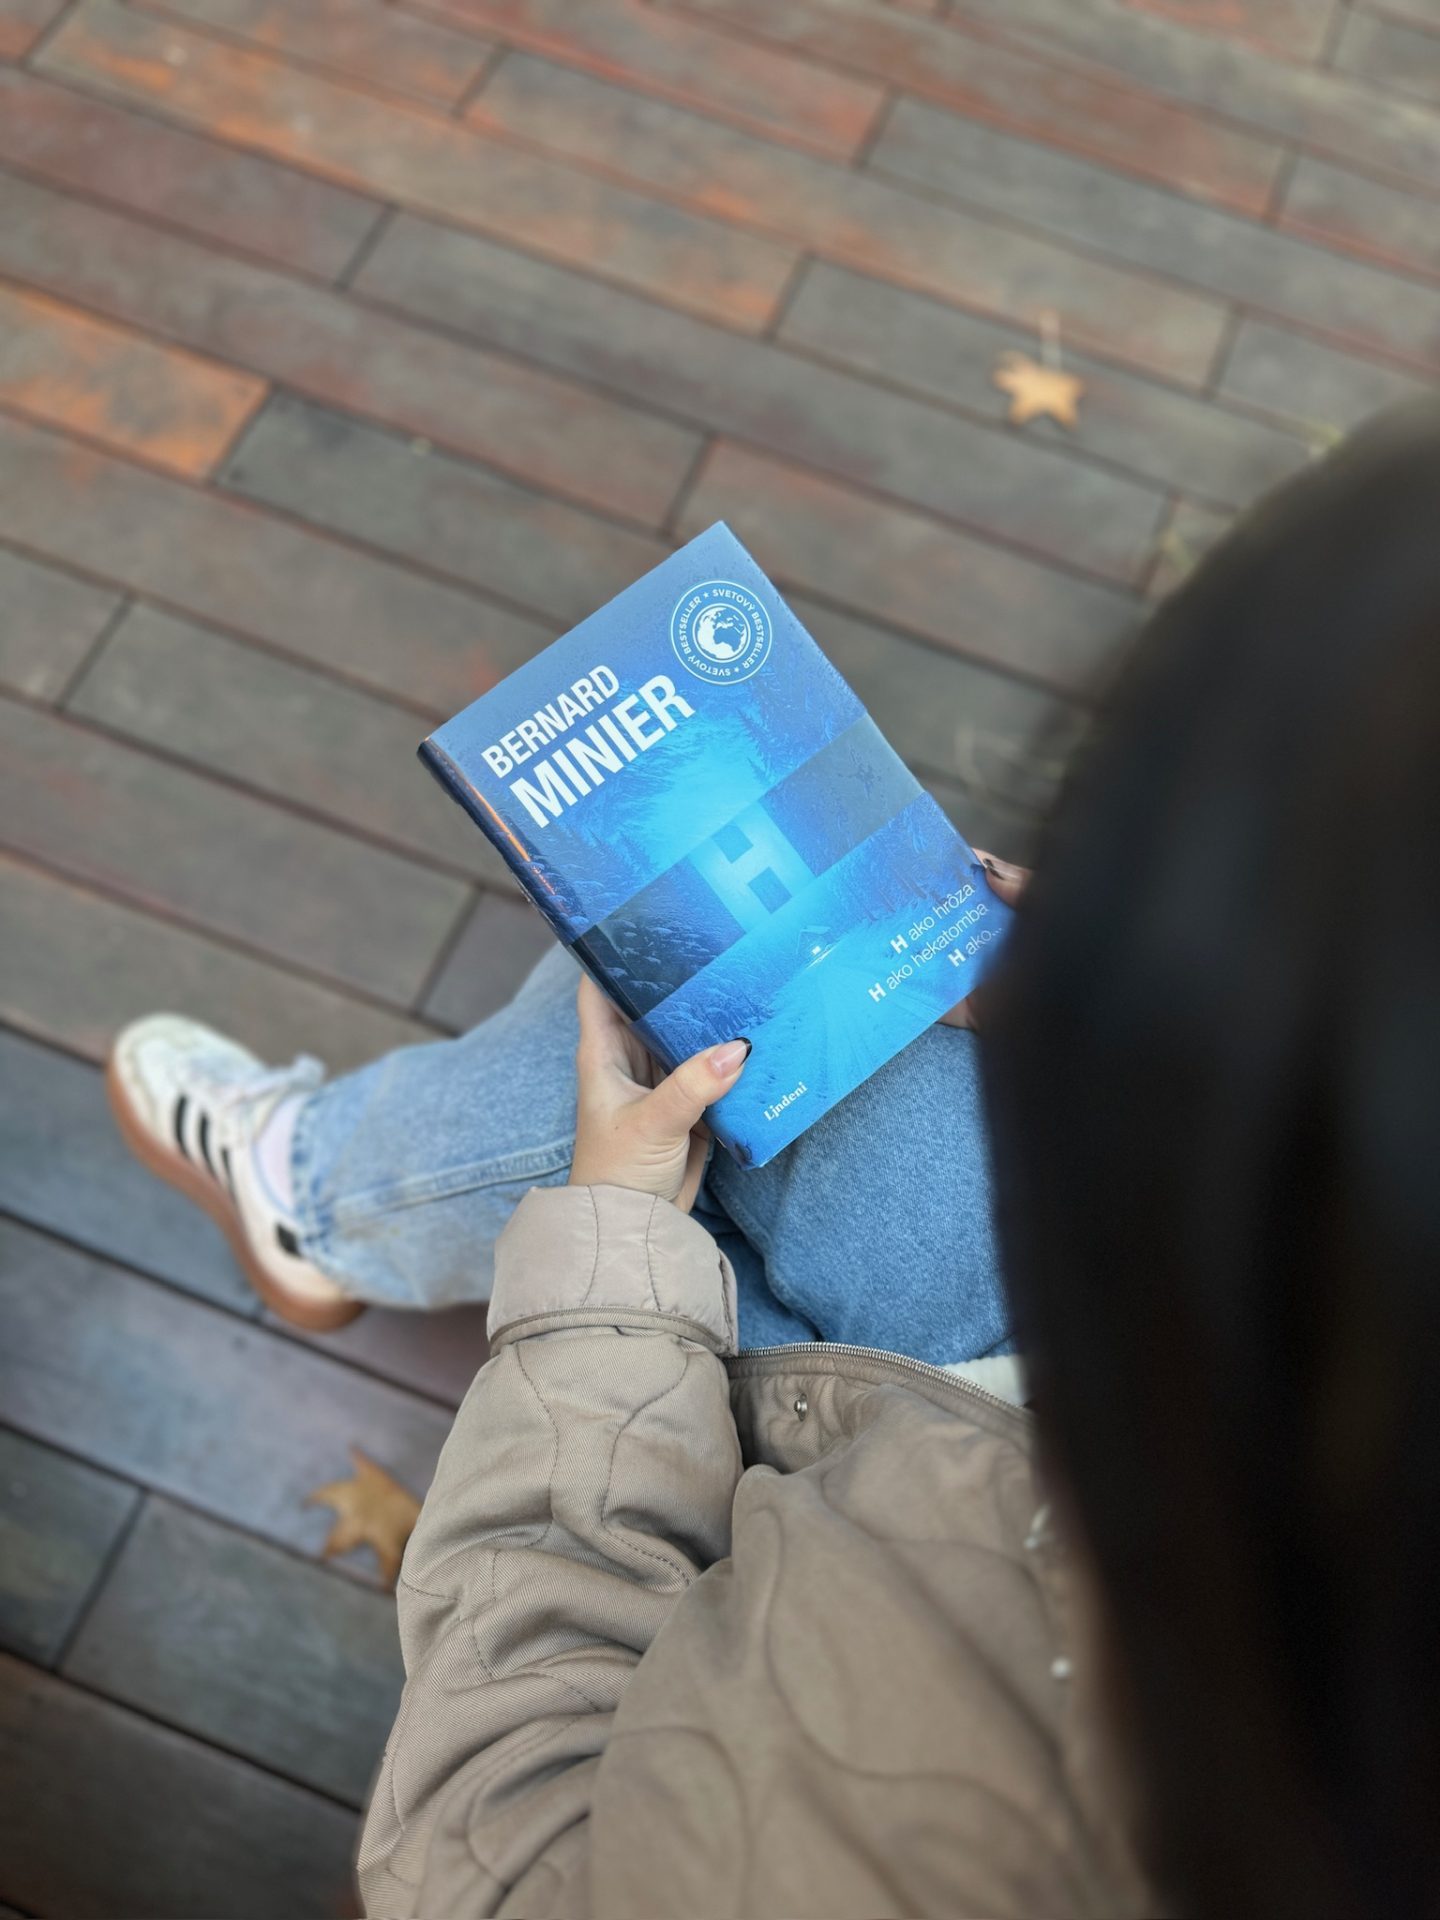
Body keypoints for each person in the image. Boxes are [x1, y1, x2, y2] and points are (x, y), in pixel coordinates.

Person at [118, 398, 1440, 1915]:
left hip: (998, 1498)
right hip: (1189, 1374)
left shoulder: (946, 1827)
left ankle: (315, 1200)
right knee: (732, 984)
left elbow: (491, 1849)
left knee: (652, 1038)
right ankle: (332, 1192)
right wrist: (1159, 1033)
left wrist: (605, 1284)